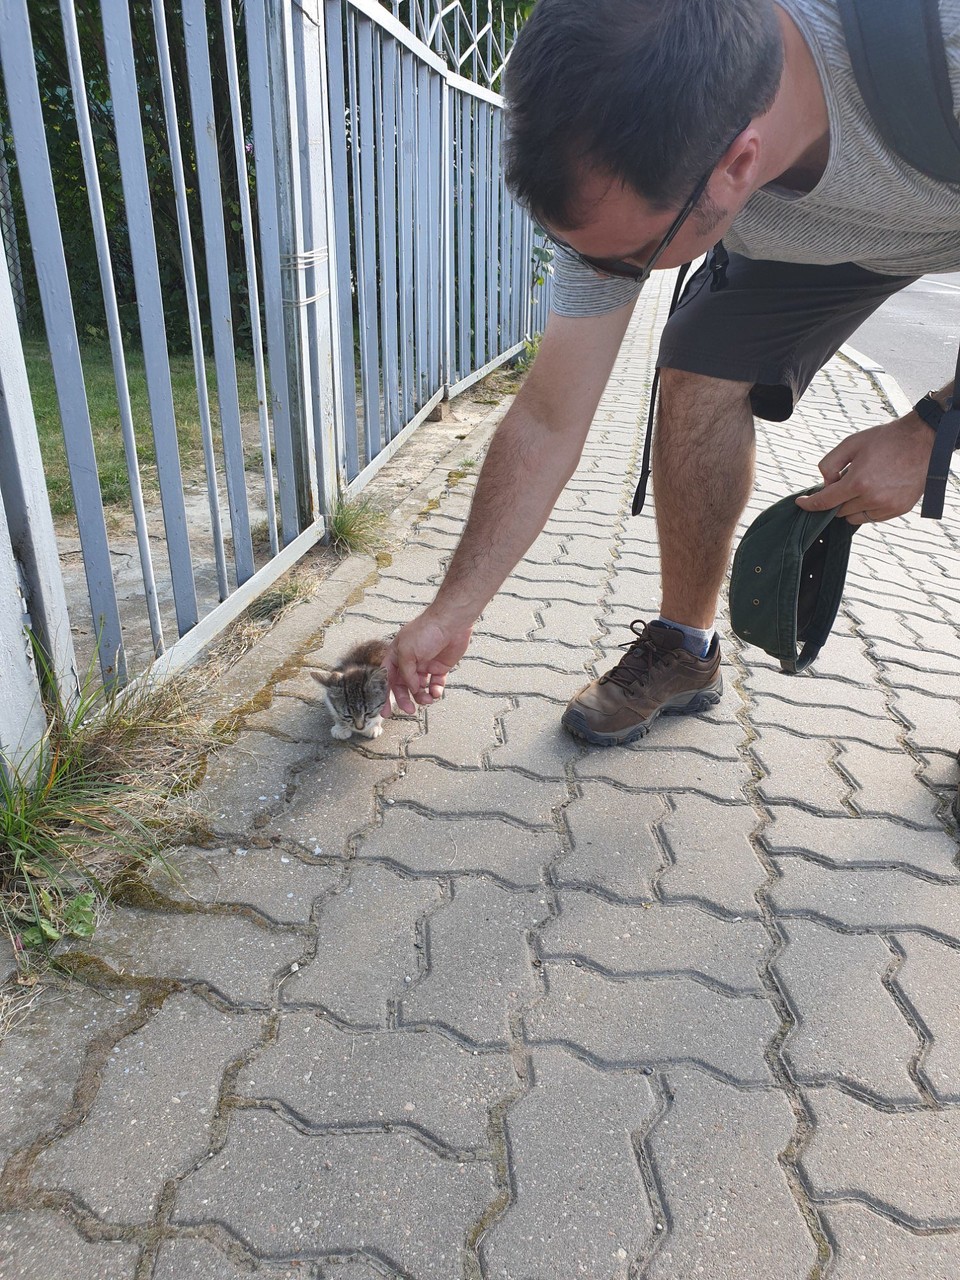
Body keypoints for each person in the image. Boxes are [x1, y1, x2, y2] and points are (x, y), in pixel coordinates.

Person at [384, 0, 960, 755]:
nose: (598, 278)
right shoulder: (621, 167)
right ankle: (686, 649)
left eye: (622, 259)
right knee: (695, 361)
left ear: (739, 163)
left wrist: (932, 429)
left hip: (934, 187)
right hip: (814, 243)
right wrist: (452, 609)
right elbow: (549, 419)